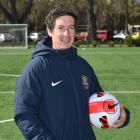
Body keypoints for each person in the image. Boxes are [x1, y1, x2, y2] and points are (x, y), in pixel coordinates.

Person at [14, 2, 130, 140]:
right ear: (50, 31)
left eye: (71, 27)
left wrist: (121, 116)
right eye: (61, 27)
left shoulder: (83, 66)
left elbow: (98, 101)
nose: (67, 33)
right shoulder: (35, 69)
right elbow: (24, 114)